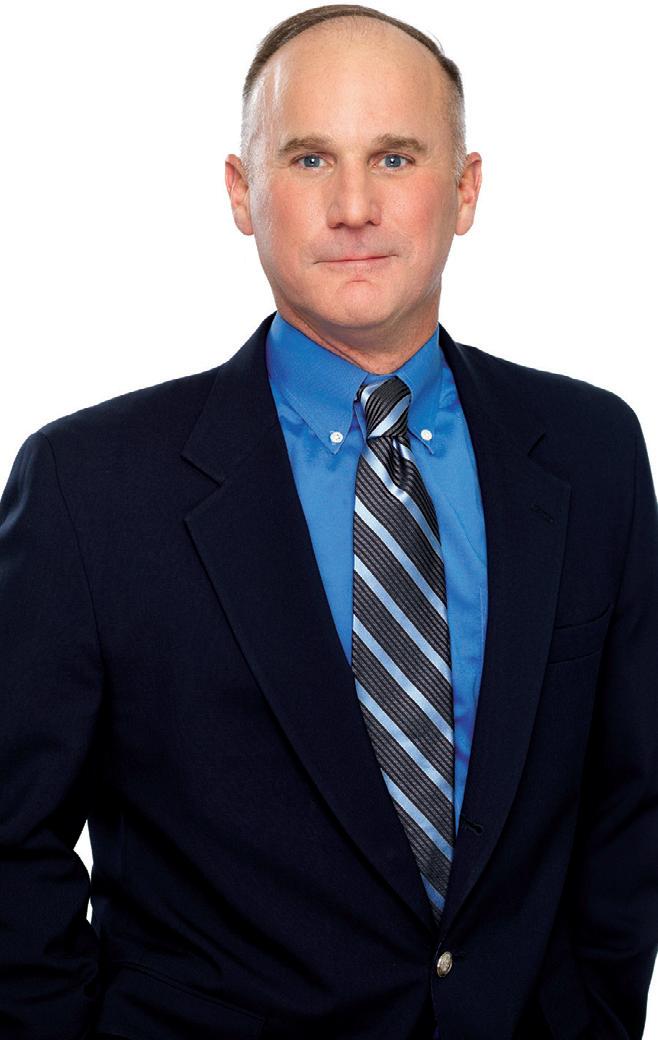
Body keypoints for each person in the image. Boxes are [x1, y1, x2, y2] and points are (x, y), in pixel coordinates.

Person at [1, 4, 656, 1038]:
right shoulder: (90, 487)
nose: (354, 206)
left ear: (466, 189)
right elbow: (11, 839)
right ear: (241, 191)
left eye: (395, 156)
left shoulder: (591, 450)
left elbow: (630, 800)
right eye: (309, 159)